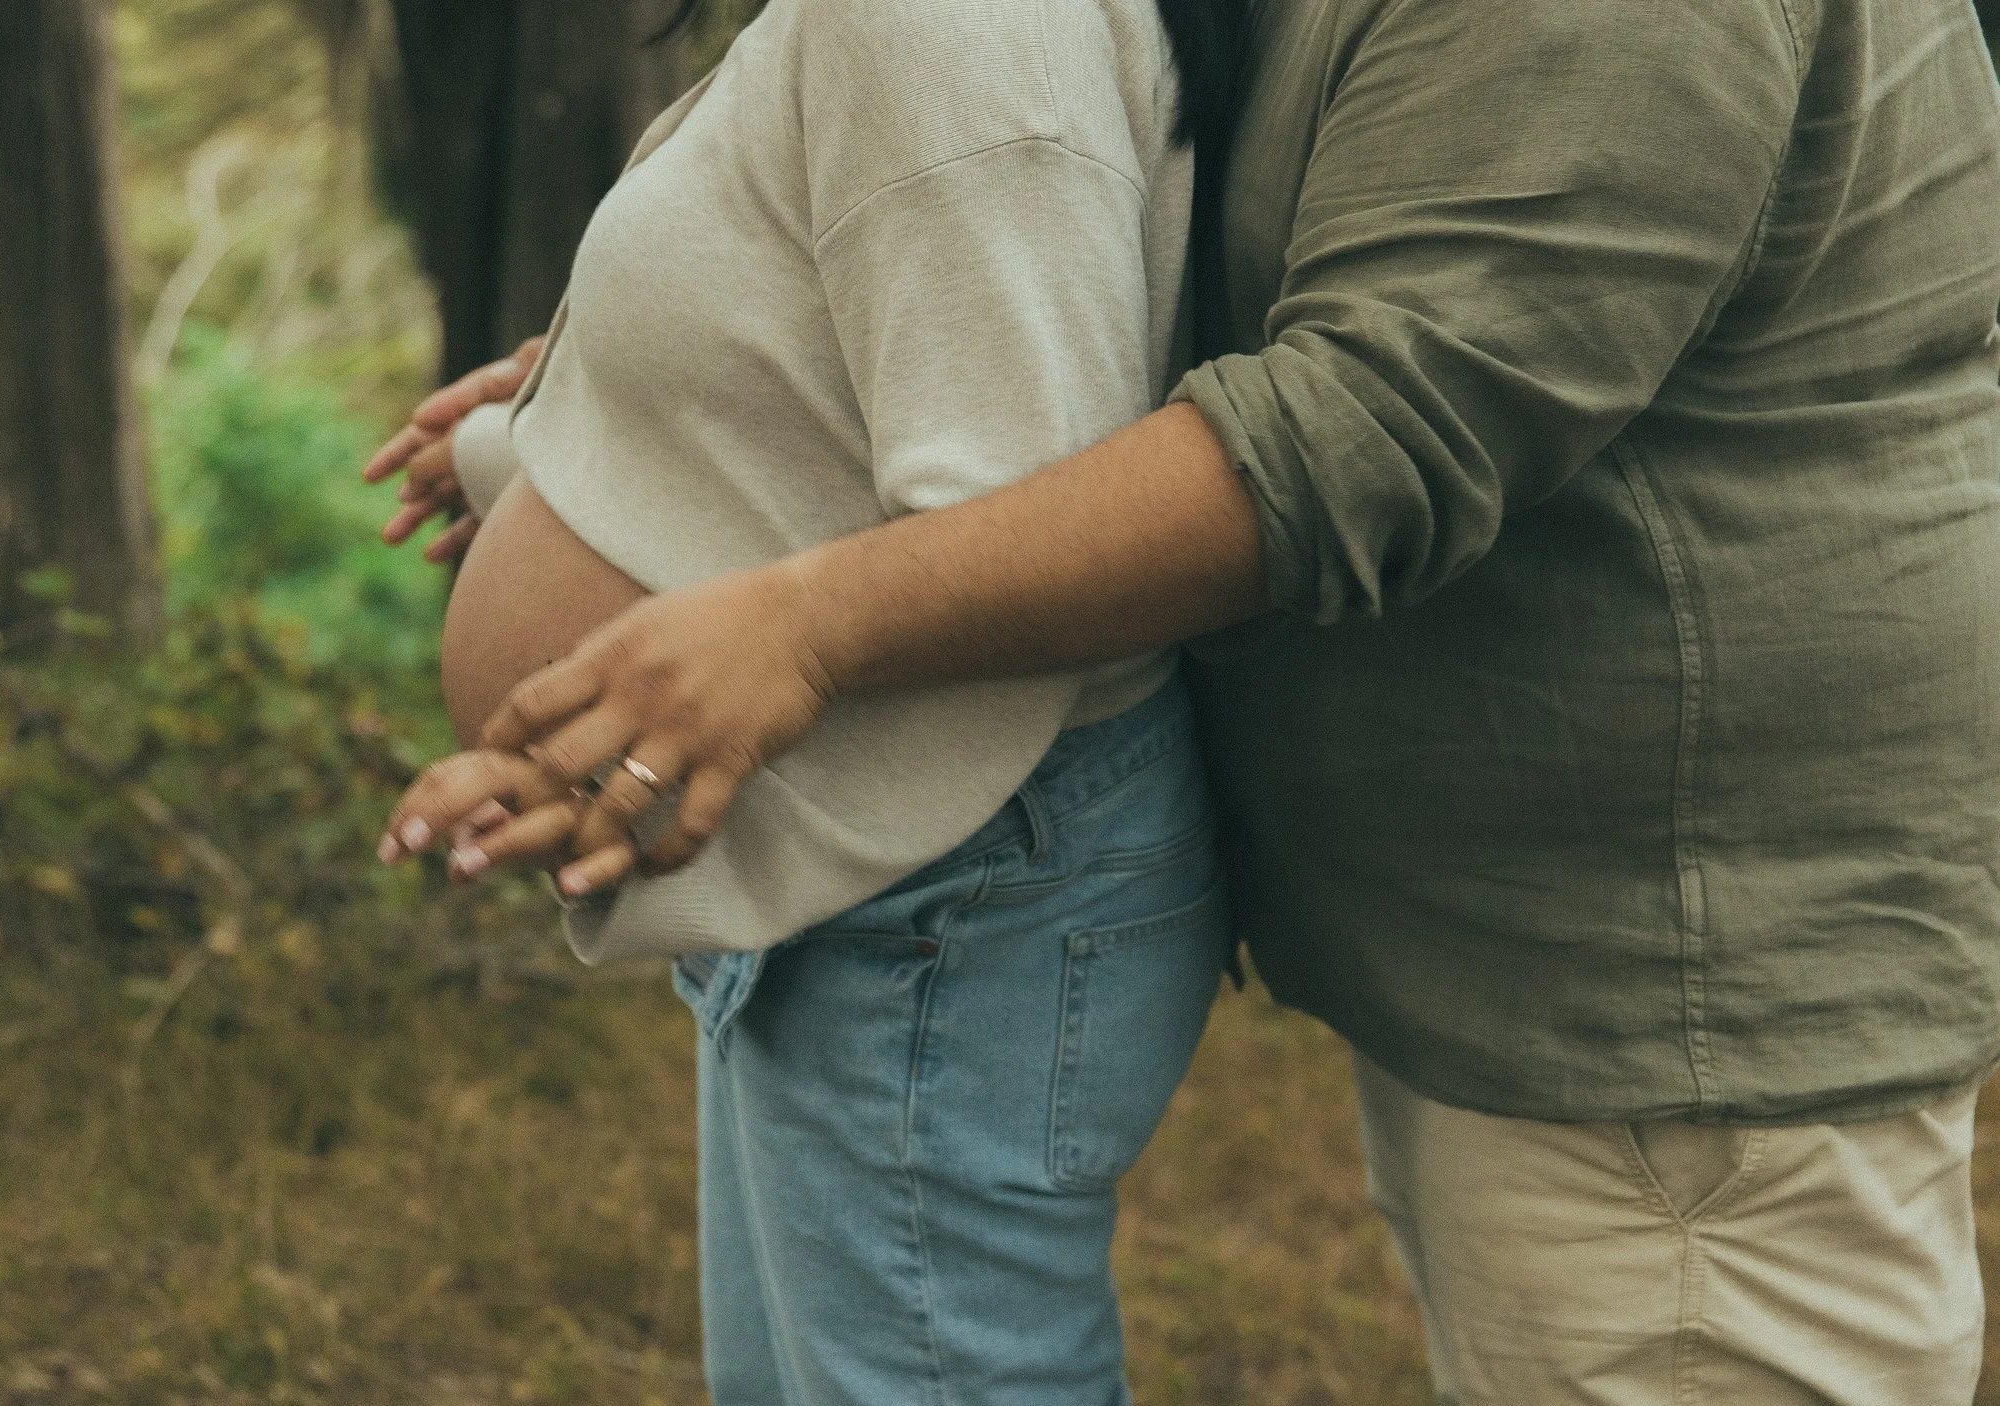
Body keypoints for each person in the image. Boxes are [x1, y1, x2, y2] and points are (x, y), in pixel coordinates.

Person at [383, 0, 2000, 1399]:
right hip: (1539, 914)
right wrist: (686, 377)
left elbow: (1372, 415)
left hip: (1683, 964)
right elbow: (1182, 237)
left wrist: (794, 631)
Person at [370, 0, 1250, 1399]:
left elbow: (1034, 534)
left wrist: (618, 773)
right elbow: (881, 336)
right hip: (897, 892)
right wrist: (572, 421)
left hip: (940, 887)